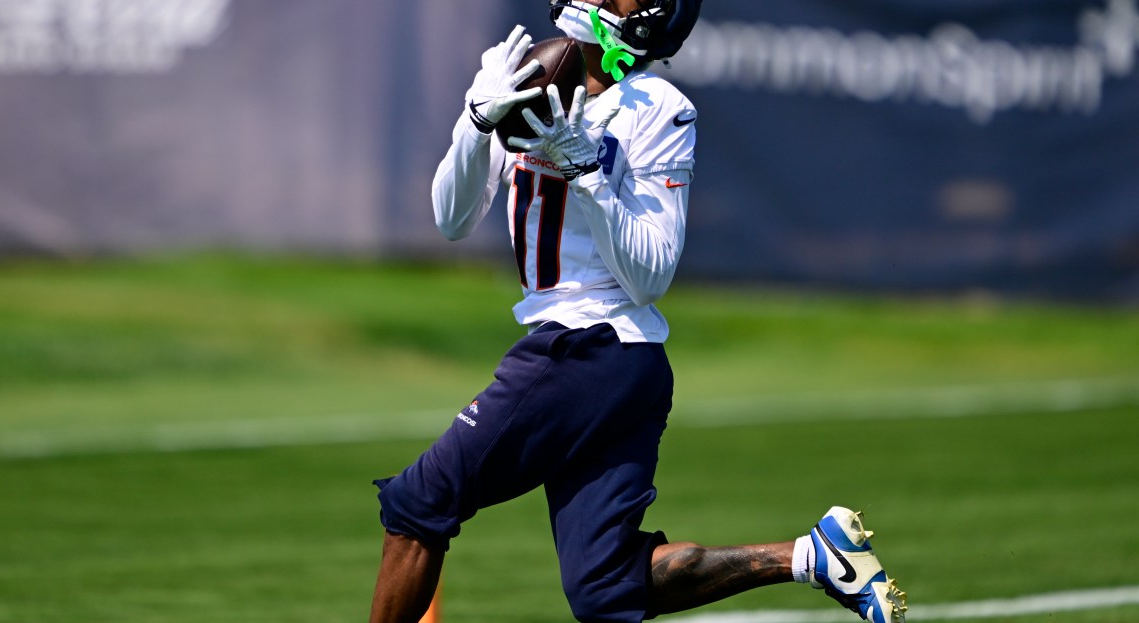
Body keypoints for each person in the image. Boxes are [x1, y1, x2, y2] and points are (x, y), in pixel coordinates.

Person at [370, 1, 907, 622]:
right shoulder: (523, 72)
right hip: (605, 362)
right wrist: (475, 120)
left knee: (418, 502)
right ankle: (811, 557)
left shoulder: (658, 108)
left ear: (646, 19)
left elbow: (650, 275)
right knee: (605, 586)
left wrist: (587, 170)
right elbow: (451, 218)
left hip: (589, 345)